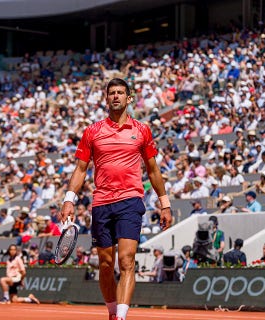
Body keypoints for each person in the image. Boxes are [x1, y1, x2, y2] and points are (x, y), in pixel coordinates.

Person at [61, 78, 172, 320]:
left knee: (126, 259)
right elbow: (80, 169)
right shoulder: (92, 131)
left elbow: (153, 170)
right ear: (106, 98)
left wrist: (165, 204)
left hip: (130, 201)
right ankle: (112, 313)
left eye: (121, 93)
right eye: (112, 93)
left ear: (129, 98)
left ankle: (121, 317)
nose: (116, 96)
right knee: (105, 264)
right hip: (101, 202)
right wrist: (69, 200)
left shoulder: (141, 130)